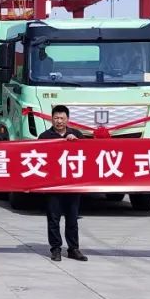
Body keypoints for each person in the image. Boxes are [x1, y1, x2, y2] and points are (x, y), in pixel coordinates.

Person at [38, 105, 87, 262]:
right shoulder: (45, 136)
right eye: (56, 118)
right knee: (53, 218)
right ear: (51, 119)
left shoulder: (77, 135)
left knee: (72, 219)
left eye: (62, 118)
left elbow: (87, 155)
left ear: (67, 119)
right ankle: (56, 249)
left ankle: (73, 249)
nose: (59, 121)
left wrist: (76, 143)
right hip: (52, 185)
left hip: (72, 185)